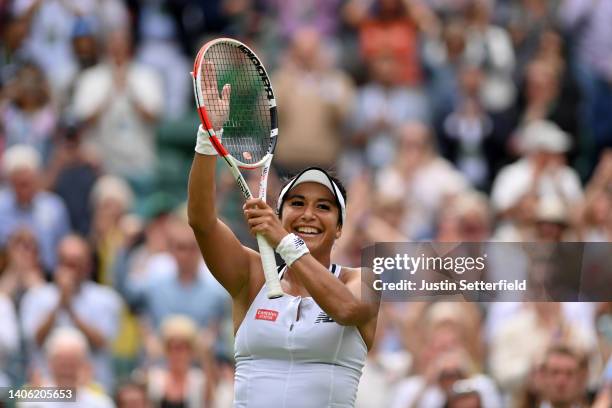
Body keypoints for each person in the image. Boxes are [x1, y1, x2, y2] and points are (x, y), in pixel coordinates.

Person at [187, 69, 379, 407]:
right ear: (281, 213)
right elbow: (201, 222)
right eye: (297, 203)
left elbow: (347, 308)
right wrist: (209, 137)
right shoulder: (252, 276)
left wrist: (284, 241)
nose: (308, 214)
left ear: (339, 228)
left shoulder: (362, 280)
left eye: (323, 207)